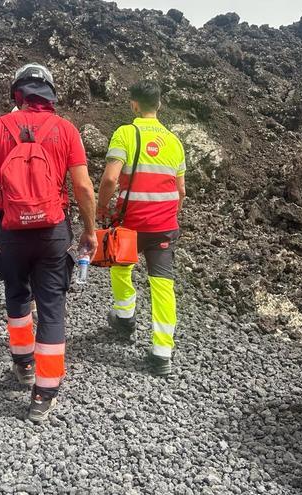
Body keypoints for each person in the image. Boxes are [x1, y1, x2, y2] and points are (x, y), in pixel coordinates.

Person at [0, 63, 97, 422]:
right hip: (52, 232)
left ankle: (23, 365)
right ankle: (43, 392)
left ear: (18, 94)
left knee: (16, 295)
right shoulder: (66, 129)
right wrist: (90, 229)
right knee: (52, 306)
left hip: (11, 230)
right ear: (51, 95)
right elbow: (84, 187)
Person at [97, 80, 187, 376]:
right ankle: (162, 352)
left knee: (120, 266)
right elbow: (181, 190)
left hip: (130, 223)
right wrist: (170, 217)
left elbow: (110, 179)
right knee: (163, 284)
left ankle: (125, 317)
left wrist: (101, 207)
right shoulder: (174, 141)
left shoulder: (126, 133)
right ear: (159, 105)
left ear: (133, 104)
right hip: (163, 226)